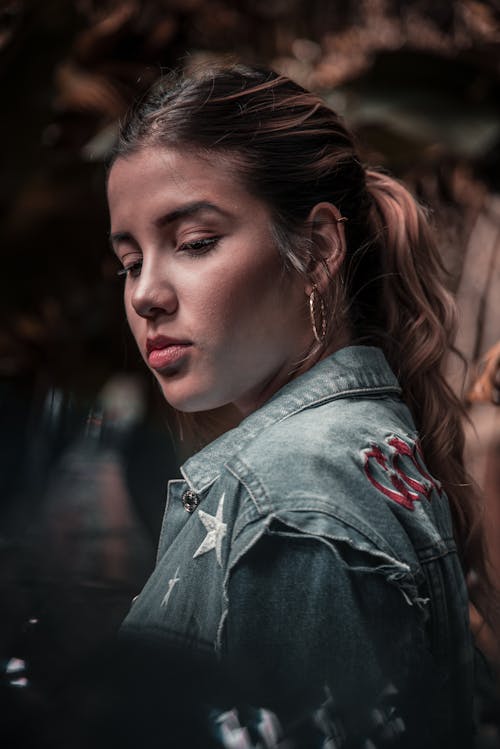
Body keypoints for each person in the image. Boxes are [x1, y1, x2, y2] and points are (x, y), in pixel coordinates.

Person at [106, 64, 487, 747]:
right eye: (130, 261)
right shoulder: (357, 454)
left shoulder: (290, 505)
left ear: (316, 249)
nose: (145, 294)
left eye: (194, 242)